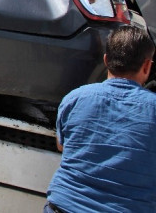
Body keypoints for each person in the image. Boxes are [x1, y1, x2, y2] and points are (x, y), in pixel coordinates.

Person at [46, 25, 156, 213]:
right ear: (147, 66)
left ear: (106, 60)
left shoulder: (75, 98)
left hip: (62, 207)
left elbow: (62, 145)